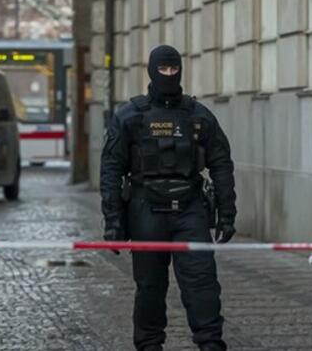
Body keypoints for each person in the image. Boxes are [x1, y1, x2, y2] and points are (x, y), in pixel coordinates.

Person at [101, 44, 236, 351]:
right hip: (145, 211)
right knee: (149, 286)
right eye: (163, 69)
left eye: (174, 69)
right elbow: (110, 169)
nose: (169, 74)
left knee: (202, 283)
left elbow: (221, 164)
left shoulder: (199, 116)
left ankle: (210, 344)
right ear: (152, 71)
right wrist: (113, 220)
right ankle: (149, 345)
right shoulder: (130, 117)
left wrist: (227, 213)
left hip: (190, 210)